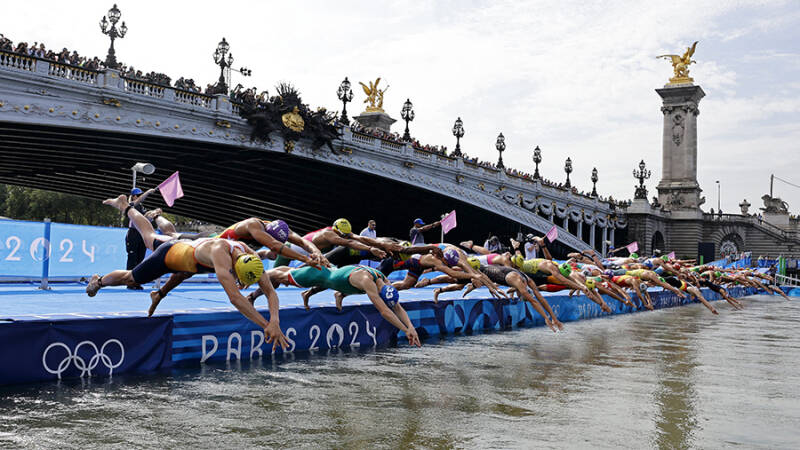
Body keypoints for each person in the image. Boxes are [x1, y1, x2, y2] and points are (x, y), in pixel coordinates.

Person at [86, 194, 289, 350]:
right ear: (234, 267)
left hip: (191, 253)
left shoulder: (251, 256)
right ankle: (100, 279)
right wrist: (265, 325)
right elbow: (235, 298)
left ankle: (143, 214)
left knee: (178, 256)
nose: (238, 283)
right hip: (172, 254)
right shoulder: (221, 255)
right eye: (238, 278)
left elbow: (271, 292)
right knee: (134, 270)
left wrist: (276, 321)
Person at [256, 265, 421, 347]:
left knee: (291, 272)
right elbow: (385, 311)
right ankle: (257, 274)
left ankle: (339, 294)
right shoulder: (367, 282)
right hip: (322, 275)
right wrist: (405, 330)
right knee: (283, 276)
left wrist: (411, 327)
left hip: (338, 278)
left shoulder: (384, 281)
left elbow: (396, 307)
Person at [124, 187, 156, 290]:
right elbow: (139, 200)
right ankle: (129, 282)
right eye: (138, 195)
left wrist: (155, 213)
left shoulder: (141, 207)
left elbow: (147, 218)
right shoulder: (131, 205)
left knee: (140, 259)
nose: (140, 197)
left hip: (141, 234)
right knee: (132, 259)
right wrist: (148, 192)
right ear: (133, 196)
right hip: (133, 234)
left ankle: (136, 281)